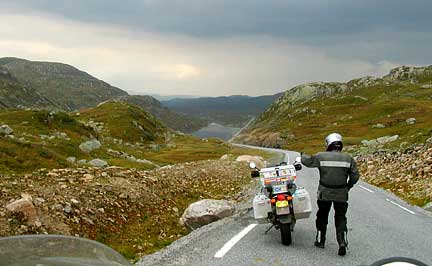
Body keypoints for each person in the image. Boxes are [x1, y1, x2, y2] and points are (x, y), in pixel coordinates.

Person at [301, 133, 359, 256]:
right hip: (341, 194)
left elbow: (308, 161)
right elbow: (355, 176)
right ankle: (342, 242)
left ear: (328, 144)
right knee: (340, 217)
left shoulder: (321, 156)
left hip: (324, 193)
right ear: (340, 144)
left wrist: (301, 155)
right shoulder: (348, 158)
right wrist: (348, 186)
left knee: (322, 215)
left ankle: (320, 241)